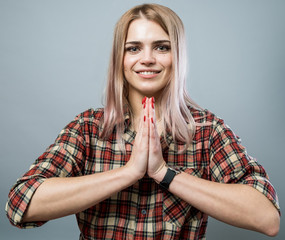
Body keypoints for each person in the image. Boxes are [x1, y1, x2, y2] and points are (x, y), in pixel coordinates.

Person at [5, 3, 280, 239]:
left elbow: (267, 219)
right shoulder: (88, 128)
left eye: (161, 47)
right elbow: (20, 204)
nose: (147, 59)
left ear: (177, 57)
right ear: (120, 60)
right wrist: (129, 172)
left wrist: (163, 172)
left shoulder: (208, 131)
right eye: (134, 48)